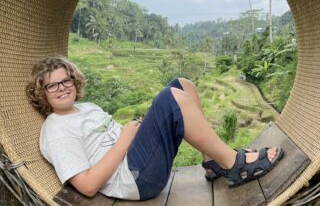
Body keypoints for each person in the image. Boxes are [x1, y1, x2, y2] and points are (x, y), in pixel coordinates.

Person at [26, 56, 284, 200]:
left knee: (181, 84)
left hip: (134, 160)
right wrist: (125, 140)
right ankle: (234, 165)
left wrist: (134, 129)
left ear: (74, 80)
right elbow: (88, 185)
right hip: (135, 181)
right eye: (52, 85)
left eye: (65, 80)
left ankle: (212, 161)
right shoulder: (56, 130)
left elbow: (116, 136)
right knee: (168, 98)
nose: (62, 88)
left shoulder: (87, 108)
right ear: (42, 93)